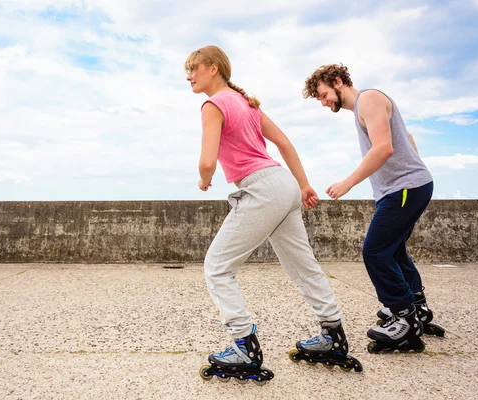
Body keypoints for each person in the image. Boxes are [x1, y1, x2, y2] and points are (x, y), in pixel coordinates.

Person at [186, 46, 362, 385]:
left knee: (217, 266)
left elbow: (207, 161)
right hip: (284, 184)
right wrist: (304, 185)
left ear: (212, 67)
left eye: (193, 69)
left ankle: (244, 345)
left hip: (261, 189)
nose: (189, 77)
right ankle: (333, 336)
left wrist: (205, 180)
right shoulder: (247, 103)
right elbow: (284, 143)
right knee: (302, 265)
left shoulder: (212, 104)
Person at [302, 64, 445, 354]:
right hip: (404, 188)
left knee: (375, 252)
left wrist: (348, 183)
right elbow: (408, 139)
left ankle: (403, 317)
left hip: (404, 189)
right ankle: (417, 308)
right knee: (392, 250)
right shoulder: (365, 107)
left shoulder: (368, 99)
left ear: (338, 82)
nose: (323, 102)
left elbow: (384, 148)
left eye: (323, 94)